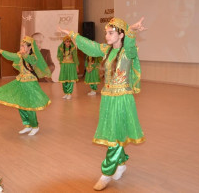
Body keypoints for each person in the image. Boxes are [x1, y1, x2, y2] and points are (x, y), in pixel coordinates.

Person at [58, 17, 146, 191]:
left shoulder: (128, 51)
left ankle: (106, 174)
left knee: (114, 136)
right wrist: (72, 35)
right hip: (107, 98)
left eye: (111, 33)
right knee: (113, 133)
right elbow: (90, 46)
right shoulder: (106, 50)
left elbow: (129, 44)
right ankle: (120, 164)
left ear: (121, 34)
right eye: (106, 32)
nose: (106, 35)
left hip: (122, 100)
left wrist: (132, 31)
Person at [0, 36, 51, 136]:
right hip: (21, 81)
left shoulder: (33, 56)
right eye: (21, 45)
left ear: (30, 47)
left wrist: (24, 54)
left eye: (24, 46)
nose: (21, 47)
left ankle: (35, 126)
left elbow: (30, 60)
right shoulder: (19, 55)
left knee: (29, 105)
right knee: (21, 104)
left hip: (30, 83)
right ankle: (27, 125)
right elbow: (9, 55)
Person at [57, 35, 79, 100]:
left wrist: (76, 66)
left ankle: (69, 93)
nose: (68, 43)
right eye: (67, 42)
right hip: (64, 65)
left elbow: (75, 57)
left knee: (70, 80)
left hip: (71, 65)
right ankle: (66, 93)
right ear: (64, 42)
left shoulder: (73, 48)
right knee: (64, 80)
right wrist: (61, 62)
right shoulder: (61, 48)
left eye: (69, 42)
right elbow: (59, 56)